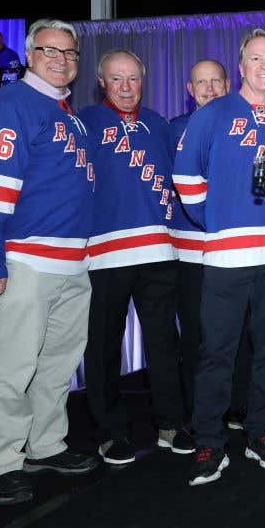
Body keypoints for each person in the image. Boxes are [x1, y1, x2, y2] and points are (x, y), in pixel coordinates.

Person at [0, 19, 99, 505]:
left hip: (70, 264)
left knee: (56, 366)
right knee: (10, 366)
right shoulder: (7, 105)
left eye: (70, 53)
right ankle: (1, 461)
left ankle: (44, 444)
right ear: (29, 55)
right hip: (23, 263)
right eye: (50, 50)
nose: (61, 59)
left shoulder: (69, 113)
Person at [174, 29, 265, 486]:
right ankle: (209, 442)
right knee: (216, 353)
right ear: (240, 67)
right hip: (225, 256)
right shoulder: (213, 114)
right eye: (256, 60)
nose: (264, 68)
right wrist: (216, 220)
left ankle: (261, 433)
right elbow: (185, 178)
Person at [79, 50, 192, 464]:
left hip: (159, 251)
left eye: (133, 79)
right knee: (103, 344)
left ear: (143, 82)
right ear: (102, 82)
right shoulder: (85, 123)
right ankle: (110, 431)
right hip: (104, 253)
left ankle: (171, 423)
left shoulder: (159, 125)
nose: (126, 87)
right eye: (117, 79)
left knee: (164, 341)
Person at [169, 60, 243, 429]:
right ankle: (197, 414)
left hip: (234, 250)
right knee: (197, 336)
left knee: (237, 335)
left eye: (216, 81)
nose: (210, 88)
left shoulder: (244, 126)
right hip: (190, 251)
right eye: (202, 82)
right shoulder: (175, 130)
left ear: (229, 84)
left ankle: (236, 409)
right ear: (189, 87)